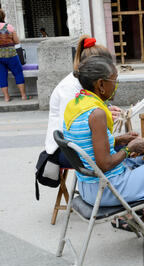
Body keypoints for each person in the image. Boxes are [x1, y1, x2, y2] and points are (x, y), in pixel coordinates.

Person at [63, 55, 144, 240]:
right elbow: (105, 163)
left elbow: (89, 142)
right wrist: (128, 148)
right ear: (101, 84)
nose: (116, 85)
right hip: (105, 189)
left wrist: (118, 140)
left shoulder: (76, 104)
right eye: (114, 81)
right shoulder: (97, 113)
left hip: (86, 185)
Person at [44, 35, 121, 169]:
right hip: (65, 151)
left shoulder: (84, 84)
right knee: (122, 150)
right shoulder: (70, 88)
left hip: (78, 144)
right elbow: (73, 128)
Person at [0, 9, 28, 102]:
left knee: (2, 76)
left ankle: (6, 97)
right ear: (3, 16)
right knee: (18, 73)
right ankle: (23, 96)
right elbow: (17, 41)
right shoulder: (9, 27)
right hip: (11, 55)